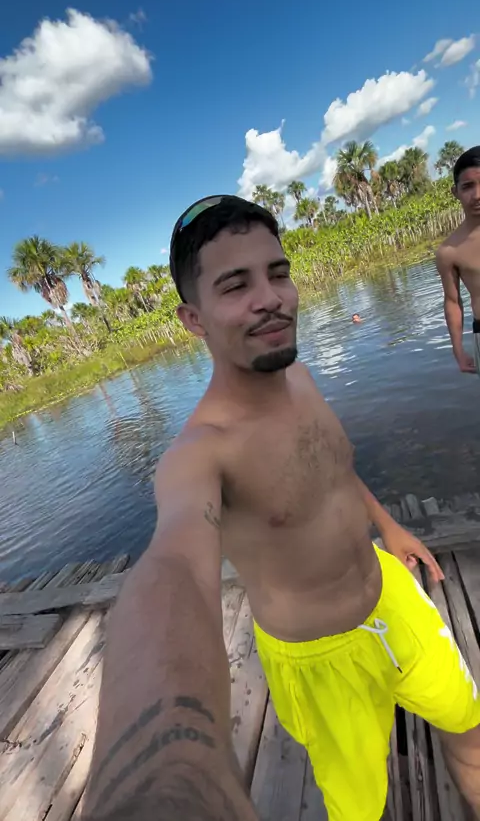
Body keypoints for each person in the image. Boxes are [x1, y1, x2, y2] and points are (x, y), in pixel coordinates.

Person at [83, 195, 480, 821]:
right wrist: (169, 776)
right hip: (320, 662)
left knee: (470, 729)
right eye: (236, 285)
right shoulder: (200, 454)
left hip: (392, 598)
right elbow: (175, 568)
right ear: (193, 318)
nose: (270, 298)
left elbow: (333, 470)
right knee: (360, 808)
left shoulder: (298, 376)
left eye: (278, 273)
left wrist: (388, 527)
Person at [436, 146, 480, 374]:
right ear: (456, 192)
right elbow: (453, 302)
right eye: (468, 186)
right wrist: (458, 350)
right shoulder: (449, 251)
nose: (477, 195)